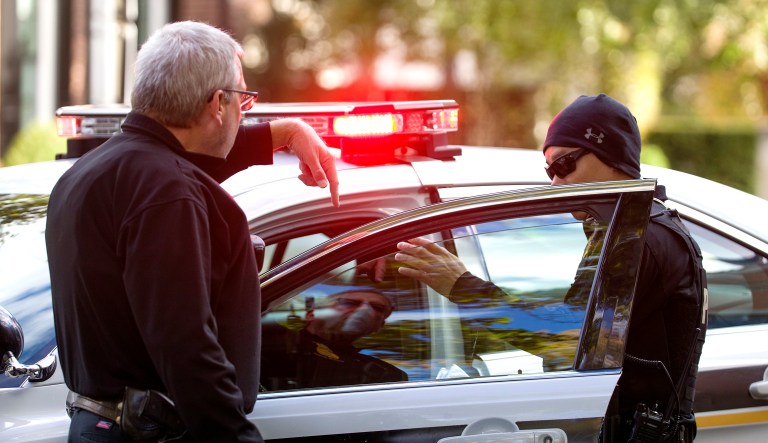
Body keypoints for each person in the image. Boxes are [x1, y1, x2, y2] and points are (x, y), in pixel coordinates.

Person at [45, 21, 340, 442]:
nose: (245, 110)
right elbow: (185, 347)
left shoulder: (91, 173)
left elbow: (175, 157)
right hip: (153, 432)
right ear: (218, 103)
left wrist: (284, 133)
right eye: (243, 98)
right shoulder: (166, 193)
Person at [395, 94, 707, 442]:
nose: (555, 183)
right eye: (550, 171)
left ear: (611, 155)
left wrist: (463, 287)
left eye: (564, 164)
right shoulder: (628, 229)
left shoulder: (640, 239)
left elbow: (565, 340)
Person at [261, 289, 407, 390]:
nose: (364, 310)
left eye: (377, 308)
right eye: (349, 303)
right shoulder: (273, 341)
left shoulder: (384, 375)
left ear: (379, 325)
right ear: (311, 314)